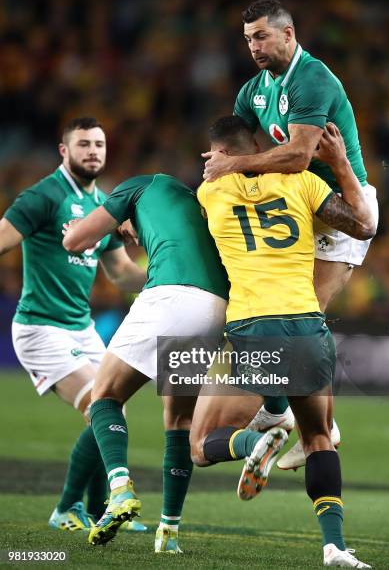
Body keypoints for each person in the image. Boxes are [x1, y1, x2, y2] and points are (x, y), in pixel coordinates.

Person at [201, 0, 379, 469]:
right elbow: (241, 145)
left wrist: (232, 166)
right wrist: (223, 168)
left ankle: (313, 426)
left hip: (341, 205)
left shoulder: (313, 78)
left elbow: (298, 156)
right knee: (279, 317)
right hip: (298, 204)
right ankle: (287, 415)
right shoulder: (252, 91)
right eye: (247, 39)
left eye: (261, 36)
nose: (254, 47)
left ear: (288, 34)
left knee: (304, 314)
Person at [191, 116, 375, 568]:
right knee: (318, 439)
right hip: (306, 323)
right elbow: (363, 227)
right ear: (257, 145)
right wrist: (342, 164)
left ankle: (257, 436)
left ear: (216, 156)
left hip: (251, 328)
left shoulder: (209, 193)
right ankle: (334, 546)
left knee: (201, 448)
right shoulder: (306, 184)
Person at [62, 172, 228, 552]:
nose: (128, 237)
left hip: (170, 297)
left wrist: (75, 230)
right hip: (215, 308)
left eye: (124, 231)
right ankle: (168, 532)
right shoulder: (193, 206)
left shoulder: (138, 185)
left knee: (103, 397)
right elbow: (134, 273)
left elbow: (76, 240)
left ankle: (119, 488)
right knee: (180, 421)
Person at [0, 117, 147, 533]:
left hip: (80, 328)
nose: (93, 151)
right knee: (99, 406)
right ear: (64, 151)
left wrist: (165, 275)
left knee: (112, 407)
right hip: (40, 328)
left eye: (99, 144)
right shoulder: (44, 195)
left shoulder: (105, 206)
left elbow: (119, 273)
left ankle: (100, 508)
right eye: (83, 144)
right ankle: (66, 507)